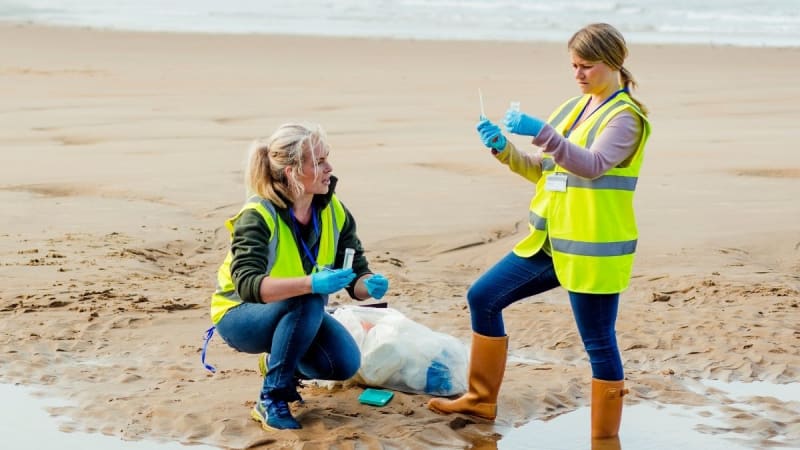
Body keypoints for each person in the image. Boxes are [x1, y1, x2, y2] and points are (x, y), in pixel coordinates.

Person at [427, 23, 651, 442]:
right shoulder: (573, 107)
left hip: (592, 250)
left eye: (586, 66)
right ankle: (480, 399)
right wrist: (503, 148)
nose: (578, 74)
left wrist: (541, 132)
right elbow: (544, 169)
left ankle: (605, 439)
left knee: (599, 343)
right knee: (483, 296)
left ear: (613, 63)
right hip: (549, 242)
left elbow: (594, 164)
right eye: (573, 66)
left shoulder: (626, 118)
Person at [208, 122, 390, 431]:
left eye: (327, 158)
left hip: (297, 310)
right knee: (308, 300)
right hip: (239, 315)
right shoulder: (258, 215)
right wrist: (310, 284)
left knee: (344, 364)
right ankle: (271, 398)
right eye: (318, 162)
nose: (329, 168)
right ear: (292, 171)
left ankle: (279, 365)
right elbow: (248, 286)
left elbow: (356, 276)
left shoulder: (335, 211)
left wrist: (367, 284)